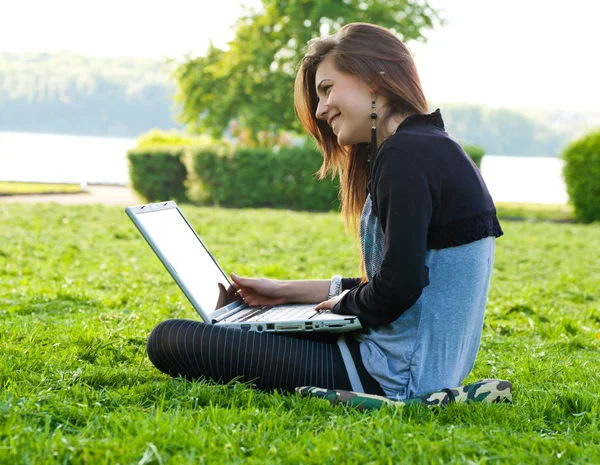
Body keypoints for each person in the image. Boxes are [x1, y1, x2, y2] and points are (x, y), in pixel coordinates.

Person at [146, 22, 503, 400]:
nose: (319, 110)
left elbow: (398, 289)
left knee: (168, 338)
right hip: (406, 364)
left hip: (390, 375)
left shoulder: (404, 155)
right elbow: (399, 279)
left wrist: (343, 304)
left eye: (327, 89)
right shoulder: (428, 146)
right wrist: (283, 293)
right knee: (234, 330)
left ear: (375, 79)